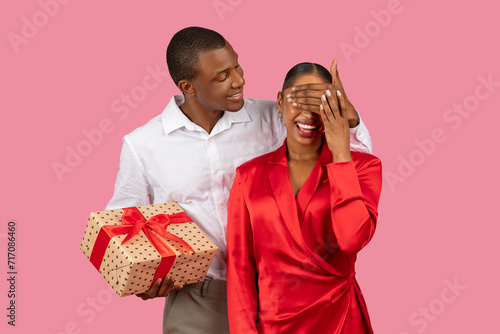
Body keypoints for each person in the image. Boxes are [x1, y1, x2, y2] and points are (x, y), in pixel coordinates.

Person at [105, 27, 373, 334]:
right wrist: (143, 279)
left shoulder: (272, 116)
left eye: (237, 66)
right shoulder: (143, 145)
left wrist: (350, 120)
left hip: (281, 294)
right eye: (222, 76)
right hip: (198, 298)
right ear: (188, 86)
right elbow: (123, 228)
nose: (239, 81)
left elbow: (350, 165)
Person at [226, 62, 382, 333]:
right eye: (298, 99)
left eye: (319, 102)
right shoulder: (248, 175)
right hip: (274, 324)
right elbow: (240, 270)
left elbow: (352, 239)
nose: (308, 114)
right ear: (279, 102)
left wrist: (341, 154)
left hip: (339, 318)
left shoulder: (363, 166)